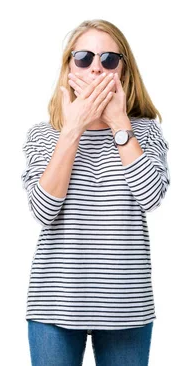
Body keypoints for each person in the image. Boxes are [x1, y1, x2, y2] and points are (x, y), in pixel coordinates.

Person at [21, 19, 169, 366]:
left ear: (123, 70)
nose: (96, 67)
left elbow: (151, 197)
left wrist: (120, 124)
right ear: (69, 67)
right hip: (55, 303)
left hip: (126, 306)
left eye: (109, 59)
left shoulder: (145, 132)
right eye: (84, 57)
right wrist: (73, 128)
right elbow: (44, 210)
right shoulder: (44, 135)